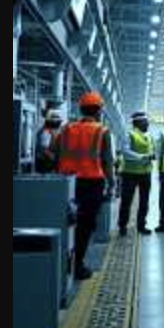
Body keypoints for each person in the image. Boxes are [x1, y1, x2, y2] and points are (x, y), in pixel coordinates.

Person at [51, 91, 116, 280]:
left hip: (67, 182)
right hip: (92, 183)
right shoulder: (102, 131)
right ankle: (77, 265)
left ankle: (60, 262)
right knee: (85, 225)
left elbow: (54, 154)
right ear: (98, 111)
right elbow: (107, 162)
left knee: (66, 221)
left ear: (81, 109)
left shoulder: (66, 129)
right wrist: (112, 184)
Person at [118, 111, 154, 237]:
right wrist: (142, 157)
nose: (148, 124)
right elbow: (125, 152)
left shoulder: (148, 136)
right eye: (146, 122)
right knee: (126, 201)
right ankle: (122, 226)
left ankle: (141, 225)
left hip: (146, 173)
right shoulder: (129, 134)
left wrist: (153, 155)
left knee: (144, 201)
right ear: (138, 123)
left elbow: (151, 150)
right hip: (130, 173)